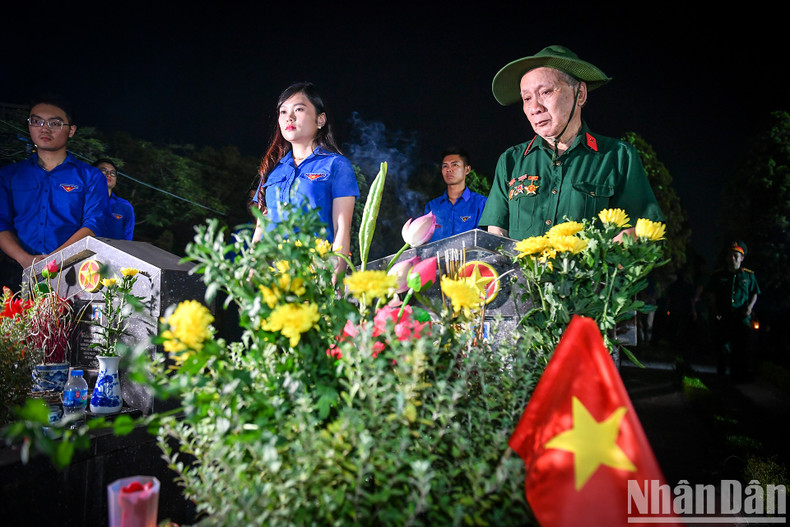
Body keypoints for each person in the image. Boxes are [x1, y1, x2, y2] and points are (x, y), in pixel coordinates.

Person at [479, 45, 664, 240]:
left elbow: (637, 230)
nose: (534, 107)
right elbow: (497, 235)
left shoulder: (618, 156)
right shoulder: (511, 160)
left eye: (545, 92)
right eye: (526, 98)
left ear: (580, 94)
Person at [251, 82, 358, 278]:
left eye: (298, 109)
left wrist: (336, 275)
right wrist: (250, 277)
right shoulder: (272, 172)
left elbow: (341, 227)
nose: (288, 117)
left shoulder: (336, 165)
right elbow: (260, 231)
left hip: (315, 274)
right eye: (282, 112)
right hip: (272, 279)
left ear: (320, 119)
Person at [0, 96, 109, 290]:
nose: (44, 128)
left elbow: (94, 224)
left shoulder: (90, 177)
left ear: (71, 130)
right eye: (37, 121)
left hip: (69, 273)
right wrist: (25, 259)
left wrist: (53, 261)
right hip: (14, 273)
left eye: (55, 123)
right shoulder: (9, 175)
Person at [703, 241, 760, 380]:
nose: (733, 258)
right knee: (722, 347)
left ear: (742, 258)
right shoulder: (718, 275)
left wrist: (749, 307)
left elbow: (755, 292)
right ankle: (721, 375)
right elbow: (711, 294)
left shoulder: (748, 276)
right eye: (730, 255)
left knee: (740, 347)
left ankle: (738, 375)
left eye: (736, 255)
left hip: (741, 317)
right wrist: (714, 310)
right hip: (724, 316)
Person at [423, 147, 487, 242]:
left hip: (470, 256)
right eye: (445, 166)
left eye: (454, 165)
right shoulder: (432, 207)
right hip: (437, 256)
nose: (449, 170)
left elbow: (484, 240)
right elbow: (424, 241)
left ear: (467, 170)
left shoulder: (481, 203)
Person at [93, 158, 135, 241]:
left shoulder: (124, 206)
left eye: (113, 173)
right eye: (104, 171)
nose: (108, 175)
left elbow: (127, 239)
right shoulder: (80, 200)